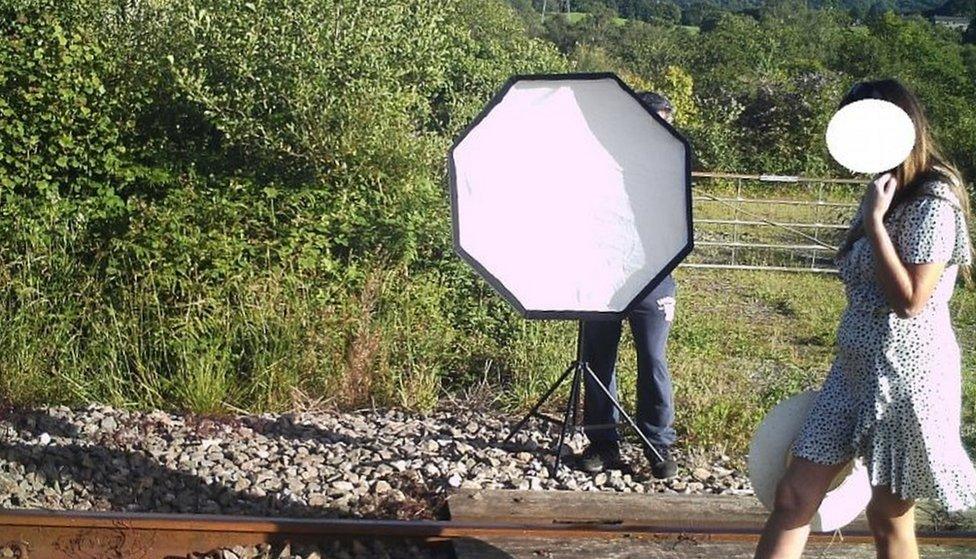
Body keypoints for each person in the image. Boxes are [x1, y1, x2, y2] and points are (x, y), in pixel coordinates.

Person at [754, 78, 976, 559]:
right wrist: (874, 212)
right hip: (852, 370)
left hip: (906, 378)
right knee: (793, 496)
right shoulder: (884, 187)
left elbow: (912, 300)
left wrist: (875, 224)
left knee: (888, 517)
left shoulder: (933, 199)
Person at [577, 91, 680, 480]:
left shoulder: (673, 166)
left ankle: (658, 445)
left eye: (666, 123)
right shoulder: (602, 164)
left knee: (653, 360)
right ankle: (604, 444)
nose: (661, 130)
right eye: (654, 121)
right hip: (603, 275)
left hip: (653, 277)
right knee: (598, 360)